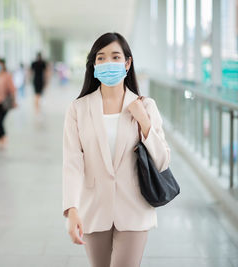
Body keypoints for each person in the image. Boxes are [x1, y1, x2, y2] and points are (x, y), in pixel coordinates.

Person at [62, 32, 170, 267]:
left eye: (115, 56)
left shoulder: (146, 105)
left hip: (134, 209)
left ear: (127, 63)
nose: (108, 63)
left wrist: (144, 123)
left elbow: (162, 161)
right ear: (93, 65)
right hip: (93, 208)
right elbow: (72, 163)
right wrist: (71, 209)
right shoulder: (78, 109)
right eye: (101, 58)